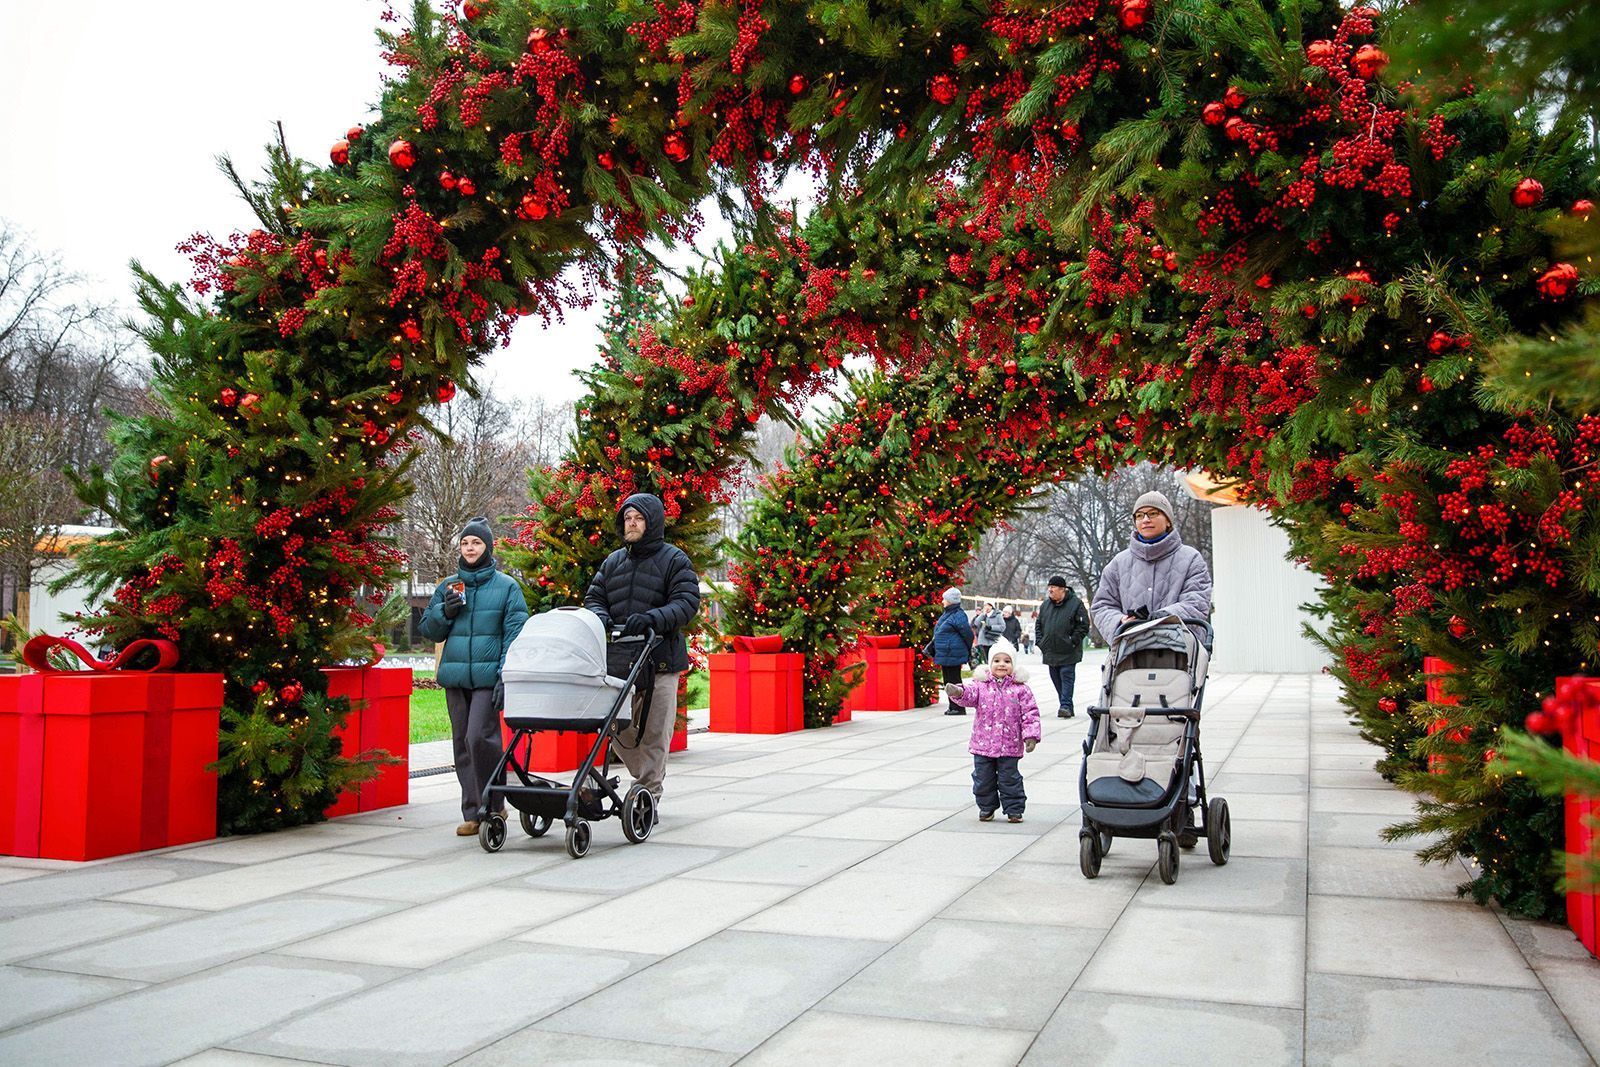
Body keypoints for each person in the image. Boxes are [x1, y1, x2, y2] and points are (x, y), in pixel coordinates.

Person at [584, 492, 701, 808]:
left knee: (654, 732)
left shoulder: (674, 560)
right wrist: (601, 617)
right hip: (621, 660)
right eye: (627, 518)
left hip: (660, 659)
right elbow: (594, 598)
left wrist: (652, 618)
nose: (632, 524)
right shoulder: (613, 562)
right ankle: (647, 774)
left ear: (652, 522)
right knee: (614, 725)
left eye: (638, 518)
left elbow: (687, 602)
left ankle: (648, 794)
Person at [418, 517, 530, 837]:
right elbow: (429, 630)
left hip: (487, 676)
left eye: (476, 543)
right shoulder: (448, 587)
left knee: (479, 737)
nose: (469, 548)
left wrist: (505, 674)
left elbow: (515, 634)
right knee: (461, 744)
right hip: (456, 677)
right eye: (465, 543)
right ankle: (473, 812)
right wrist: (445, 612)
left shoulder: (507, 587)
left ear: (488, 547)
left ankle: (493, 806)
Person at [1090, 490, 1213, 644]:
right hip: (1131, 649)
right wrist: (1121, 621)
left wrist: (1162, 617)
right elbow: (1102, 605)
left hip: (1180, 648)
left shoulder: (1191, 559)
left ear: (1168, 521)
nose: (1146, 519)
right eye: (1139, 515)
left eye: (1153, 513)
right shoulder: (1118, 563)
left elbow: (1197, 602)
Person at [945, 640, 1041, 823]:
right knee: (983, 779)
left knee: (1009, 779)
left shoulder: (1021, 689)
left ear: (1013, 665)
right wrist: (958, 692)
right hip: (983, 744)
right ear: (990, 664)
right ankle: (986, 807)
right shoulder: (981, 686)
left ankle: (1014, 810)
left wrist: (1031, 735)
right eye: (997, 661)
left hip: (1009, 745)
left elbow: (1030, 713)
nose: (1001, 664)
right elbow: (969, 694)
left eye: (1007, 661)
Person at [1036, 576, 1090, 718]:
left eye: (1053, 587)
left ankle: (1065, 705)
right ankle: (1066, 706)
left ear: (1062, 589)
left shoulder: (1076, 604)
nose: (1050, 590)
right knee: (1056, 678)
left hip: (1068, 650)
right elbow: (1039, 624)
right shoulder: (1045, 605)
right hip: (1050, 650)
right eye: (1049, 587)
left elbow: (1083, 625)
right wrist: (1041, 642)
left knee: (1066, 676)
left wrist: (1073, 640)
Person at [930, 586, 975, 715]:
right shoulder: (948, 614)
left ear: (950, 601)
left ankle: (959, 707)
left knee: (954, 681)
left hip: (953, 654)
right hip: (946, 654)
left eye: (944, 599)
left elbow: (968, 634)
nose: (942, 601)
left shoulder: (958, 615)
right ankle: (952, 705)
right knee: (948, 681)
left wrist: (965, 649)